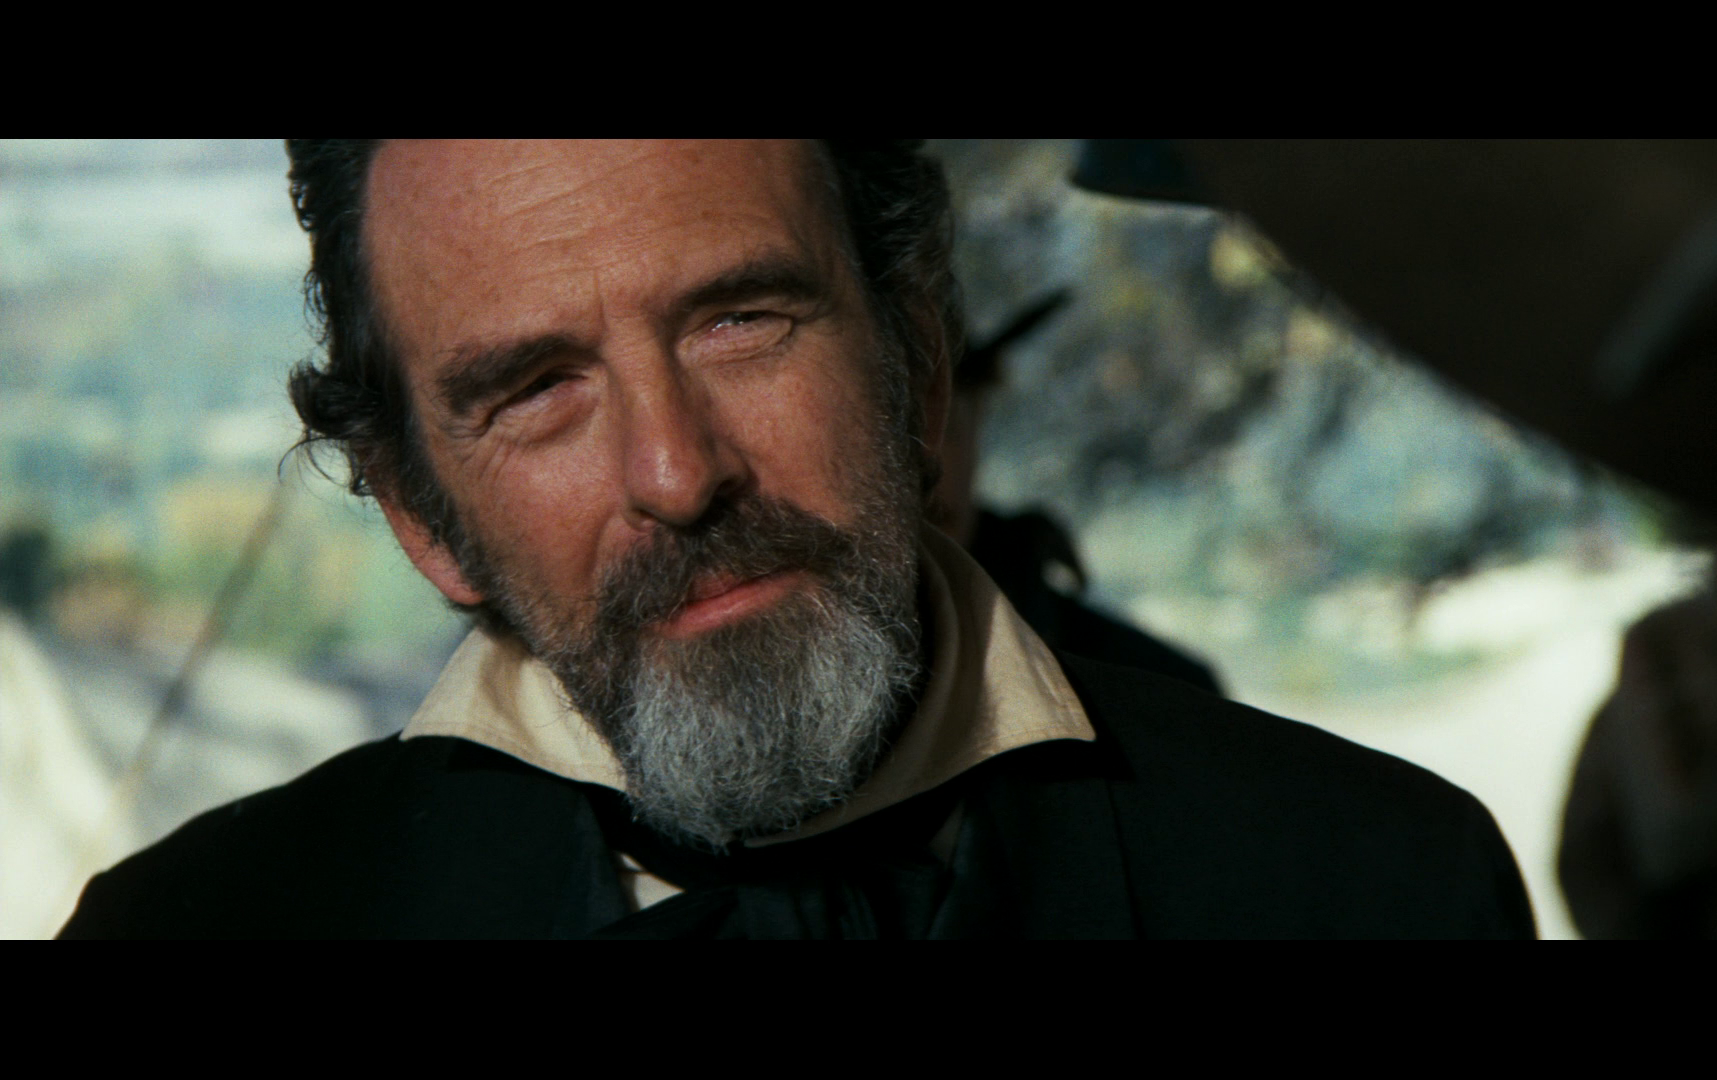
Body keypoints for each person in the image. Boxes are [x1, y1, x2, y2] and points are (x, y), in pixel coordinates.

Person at [59, 140, 1533, 939]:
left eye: (741, 320)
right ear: (419, 520)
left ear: (917, 365)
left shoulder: (1374, 887)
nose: (677, 473)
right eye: (538, 389)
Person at [932, 292, 1223, 695]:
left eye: (939, 426)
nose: (912, 473)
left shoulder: (1157, 693)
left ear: (977, 414)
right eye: (885, 435)